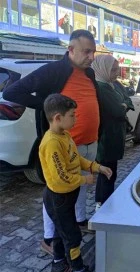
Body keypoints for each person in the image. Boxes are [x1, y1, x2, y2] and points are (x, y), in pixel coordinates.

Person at [3, 29, 99, 255]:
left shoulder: (90, 74)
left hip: (88, 143)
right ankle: (49, 238)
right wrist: (47, 105)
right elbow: (13, 92)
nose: (91, 57)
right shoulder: (53, 71)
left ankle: (79, 220)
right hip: (63, 146)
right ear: (71, 50)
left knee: (81, 184)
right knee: (56, 194)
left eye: (93, 52)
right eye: (86, 52)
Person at [40, 94, 112, 272]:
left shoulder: (64, 135)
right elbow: (60, 178)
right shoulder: (51, 143)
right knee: (72, 236)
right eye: (72, 115)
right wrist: (84, 179)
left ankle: (58, 263)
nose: (75, 118)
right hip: (58, 197)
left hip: (67, 197)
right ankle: (78, 267)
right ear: (58, 118)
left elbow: (76, 158)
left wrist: (96, 167)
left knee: (61, 230)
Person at [91, 55, 131, 210]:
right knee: (106, 171)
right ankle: (102, 204)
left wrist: (123, 105)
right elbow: (118, 110)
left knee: (112, 171)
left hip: (115, 135)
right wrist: (122, 106)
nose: (117, 73)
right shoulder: (101, 87)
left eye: (117, 69)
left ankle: (108, 201)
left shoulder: (114, 84)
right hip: (106, 137)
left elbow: (128, 102)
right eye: (113, 69)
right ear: (103, 69)